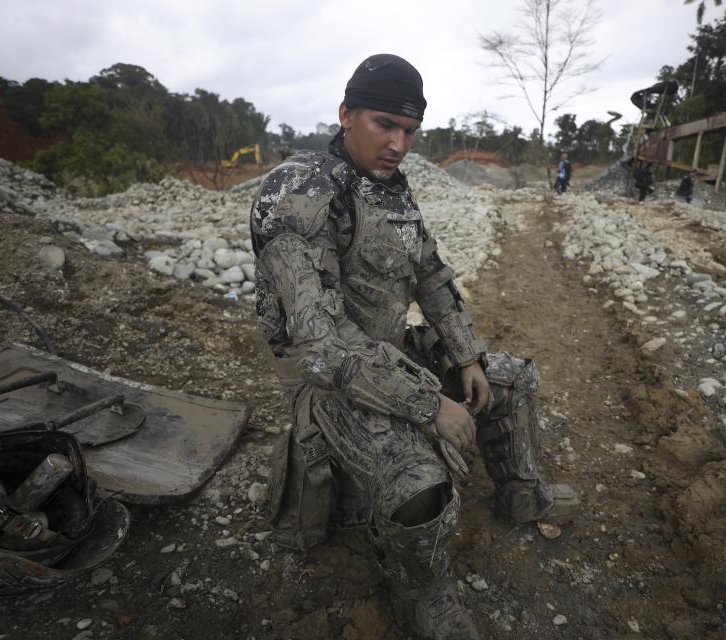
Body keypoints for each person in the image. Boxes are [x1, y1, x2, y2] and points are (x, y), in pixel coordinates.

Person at [248, 54, 578, 640]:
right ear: (345, 114)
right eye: (385, 126)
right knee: (418, 485)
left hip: (391, 352)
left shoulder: (390, 189)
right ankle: (424, 596)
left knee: (511, 380)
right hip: (328, 383)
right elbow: (322, 346)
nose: (399, 144)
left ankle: (523, 493)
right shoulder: (299, 194)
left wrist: (467, 356)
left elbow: (431, 275)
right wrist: (430, 406)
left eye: (410, 132)